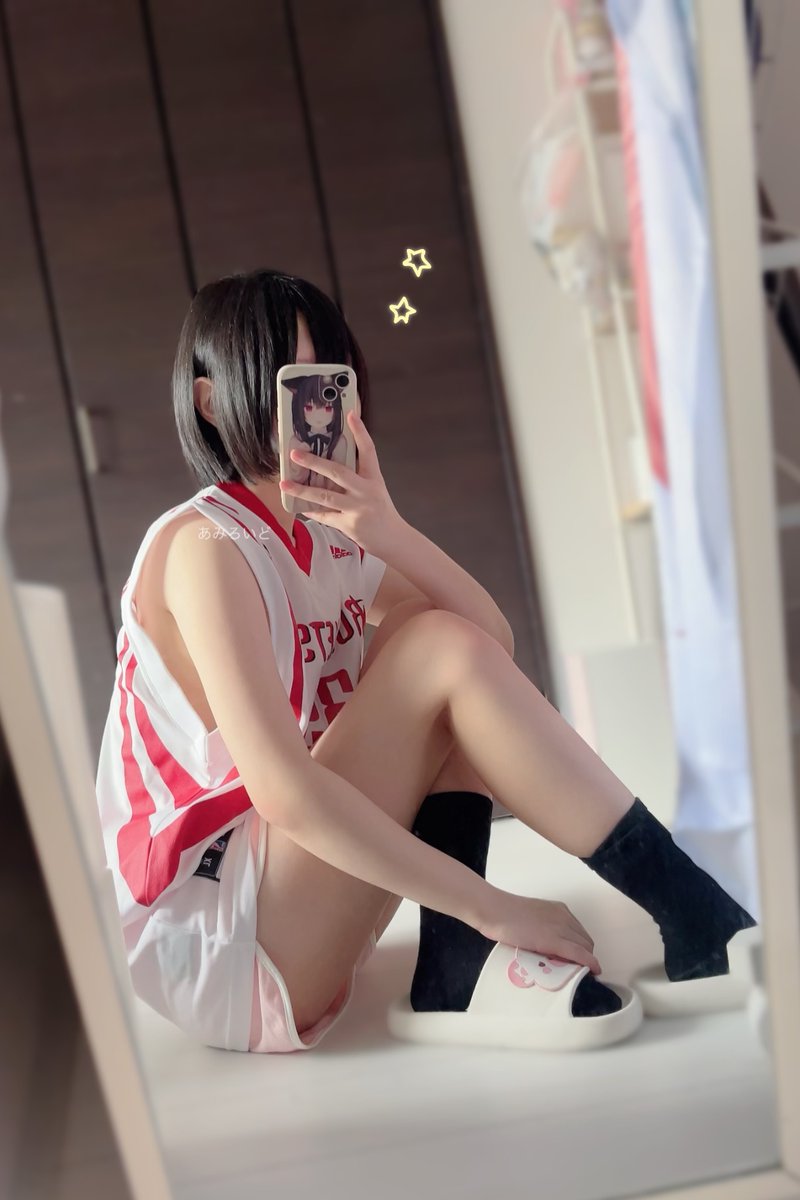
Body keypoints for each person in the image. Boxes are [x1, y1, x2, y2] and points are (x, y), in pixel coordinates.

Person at [95, 267, 755, 1055]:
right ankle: (678, 913)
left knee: (435, 639)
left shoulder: (326, 536)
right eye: (289, 380)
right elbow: (284, 792)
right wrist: (493, 903)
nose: (317, 406)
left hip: (287, 898)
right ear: (211, 401)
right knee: (431, 650)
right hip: (219, 938)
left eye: (331, 377)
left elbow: (486, 649)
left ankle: (473, 962)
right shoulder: (204, 545)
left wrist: (387, 528)